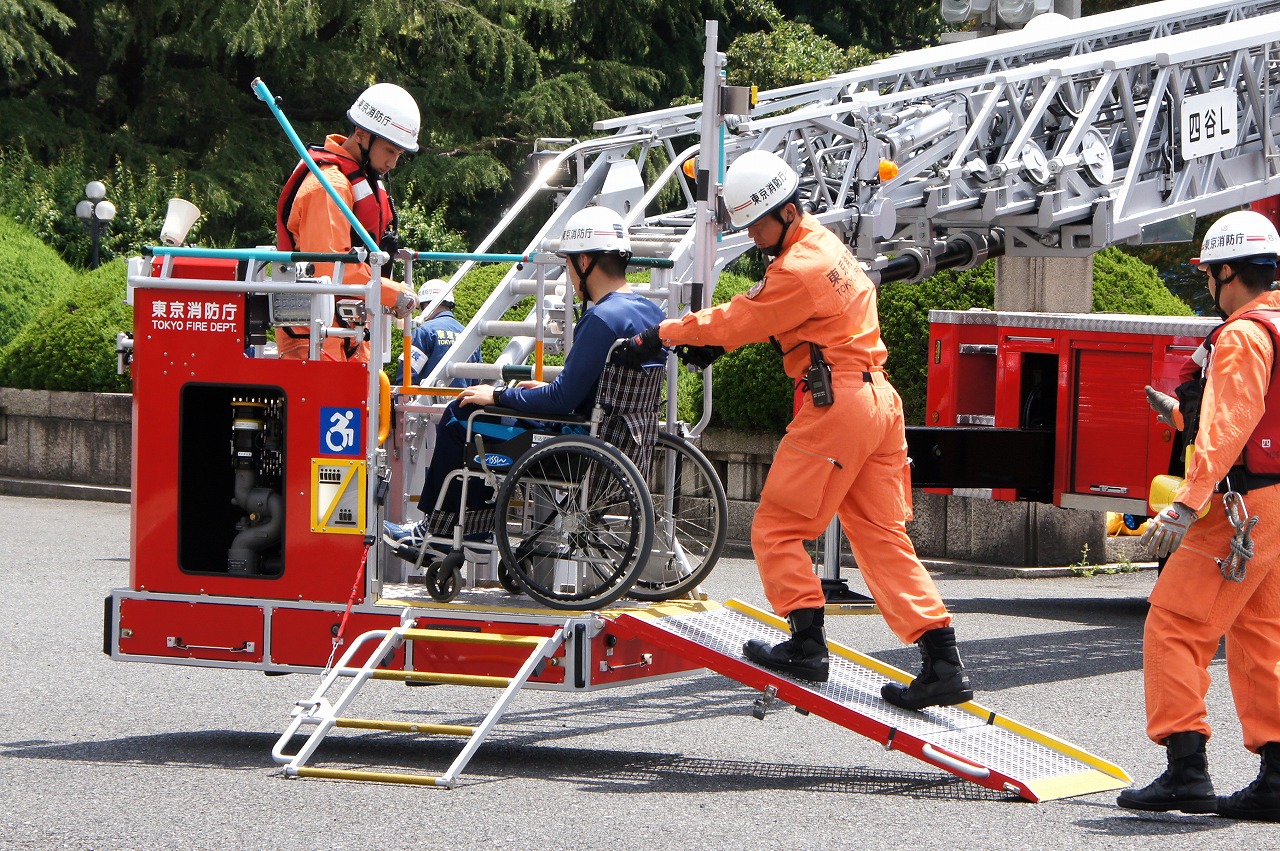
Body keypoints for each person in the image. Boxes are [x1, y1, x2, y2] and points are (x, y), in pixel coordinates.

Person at [614, 150, 974, 702]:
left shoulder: (797, 269)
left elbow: (742, 317)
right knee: (881, 537)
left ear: (783, 212)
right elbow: (783, 323)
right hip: (877, 401)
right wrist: (721, 343)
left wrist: (663, 334)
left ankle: (807, 646)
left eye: (756, 224)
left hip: (837, 408)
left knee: (776, 528)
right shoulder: (826, 246)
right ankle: (942, 661)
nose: (753, 236)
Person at [382, 205, 665, 556]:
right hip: (624, 441)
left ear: (586, 261)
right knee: (478, 409)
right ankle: (469, 530)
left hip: (576, 447)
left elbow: (562, 401)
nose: (569, 275)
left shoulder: (601, 319)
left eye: (569, 264)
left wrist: (498, 395)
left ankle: (445, 532)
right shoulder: (651, 312)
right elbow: (595, 389)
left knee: (462, 413)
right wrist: (543, 390)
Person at [1121, 209, 1280, 821]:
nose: (1210, 286)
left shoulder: (1241, 334)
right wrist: (1184, 415)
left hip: (1241, 508)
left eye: (1211, 274)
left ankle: (1186, 770)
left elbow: (1232, 423)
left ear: (1225, 272)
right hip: (1276, 505)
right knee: (1259, 635)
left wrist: (1188, 501)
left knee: (1174, 624)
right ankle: (1275, 776)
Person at [276, 83, 419, 361]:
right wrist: (393, 293)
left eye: (399, 154)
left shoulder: (355, 181)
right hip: (316, 337)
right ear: (362, 135)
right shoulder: (329, 185)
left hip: (344, 332)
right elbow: (330, 266)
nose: (392, 163)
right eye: (390, 150)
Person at [394, 278, 480, 387]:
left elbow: (406, 374)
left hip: (429, 402)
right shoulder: (469, 334)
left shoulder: (424, 331)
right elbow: (477, 380)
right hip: (463, 401)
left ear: (425, 305)